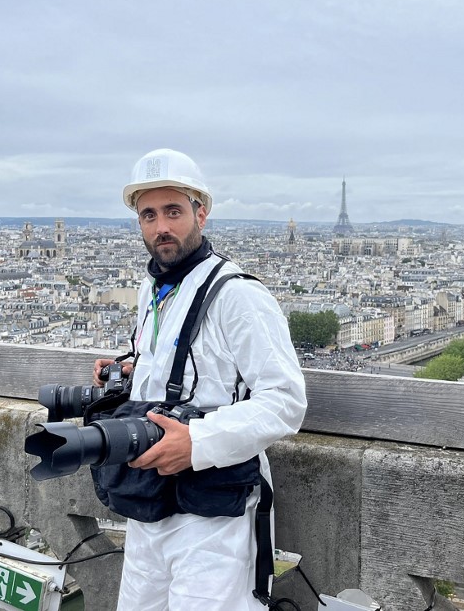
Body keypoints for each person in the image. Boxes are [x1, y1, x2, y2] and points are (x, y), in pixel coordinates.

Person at [92, 148, 307, 610]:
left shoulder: (239, 295)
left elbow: (286, 400)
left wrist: (197, 442)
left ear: (201, 214)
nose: (161, 227)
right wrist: (135, 372)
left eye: (173, 211)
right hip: (149, 502)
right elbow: (189, 369)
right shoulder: (153, 288)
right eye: (149, 215)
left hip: (213, 513)